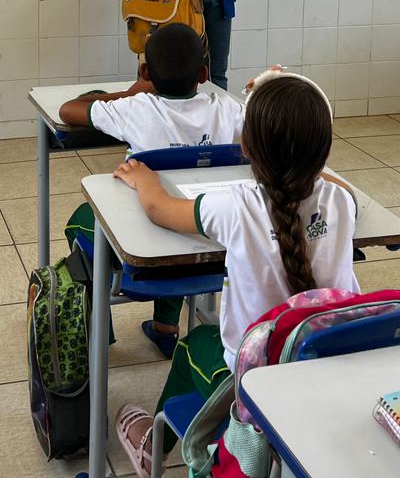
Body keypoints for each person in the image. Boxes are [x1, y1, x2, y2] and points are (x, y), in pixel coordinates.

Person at [111, 68, 357, 475]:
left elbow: (157, 209)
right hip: (329, 362)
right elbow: (325, 181)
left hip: (256, 381)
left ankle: (153, 446)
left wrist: (144, 178)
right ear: (324, 149)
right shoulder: (342, 202)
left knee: (194, 346)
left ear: (245, 147)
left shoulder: (234, 205)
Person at [59, 22, 244, 358]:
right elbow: (261, 119)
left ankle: (99, 334)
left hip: (139, 244)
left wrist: (129, 93)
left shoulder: (135, 108)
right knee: (181, 214)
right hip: (207, 244)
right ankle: (165, 327)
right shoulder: (226, 109)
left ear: (145, 73)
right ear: (204, 74)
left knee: (80, 221)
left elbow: (67, 110)